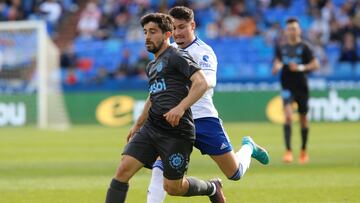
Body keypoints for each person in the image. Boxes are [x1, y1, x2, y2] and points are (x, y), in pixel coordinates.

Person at [146, 6, 270, 203]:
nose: (178, 33)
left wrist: (184, 101)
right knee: (163, 173)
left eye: (182, 27)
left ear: (193, 25)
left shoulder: (203, 51)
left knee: (234, 172)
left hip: (202, 119)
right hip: (175, 122)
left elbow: (208, 81)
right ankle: (211, 189)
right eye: (174, 28)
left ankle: (248, 148)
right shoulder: (168, 53)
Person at [105, 13, 226, 203]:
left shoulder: (177, 56)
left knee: (173, 188)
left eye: (153, 32)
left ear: (167, 34)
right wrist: (138, 125)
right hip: (152, 128)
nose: (147, 37)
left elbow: (201, 83)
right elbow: (153, 97)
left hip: (177, 132)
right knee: (123, 170)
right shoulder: (152, 66)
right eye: (145, 32)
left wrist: (180, 108)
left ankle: (211, 188)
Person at [272, 18, 320, 164]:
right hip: (287, 86)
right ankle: (288, 151)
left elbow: (315, 64)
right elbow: (277, 62)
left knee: (303, 119)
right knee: (287, 116)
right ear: (286, 31)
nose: (292, 31)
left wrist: (300, 68)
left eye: (294, 28)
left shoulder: (305, 47)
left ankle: (303, 150)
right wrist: (277, 66)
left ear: (299, 30)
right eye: (289, 29)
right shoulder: (282, 48)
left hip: (301, 87)